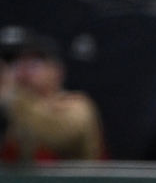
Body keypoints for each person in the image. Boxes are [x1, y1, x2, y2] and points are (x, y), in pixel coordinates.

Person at [0, 27, 105, 163]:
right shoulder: (10, 108)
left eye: (33, 64)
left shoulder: (76, 106)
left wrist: (10, 96)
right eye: (15, 64)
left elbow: (56, 134)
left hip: (70, 177)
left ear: (57, 71)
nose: (23, 71)